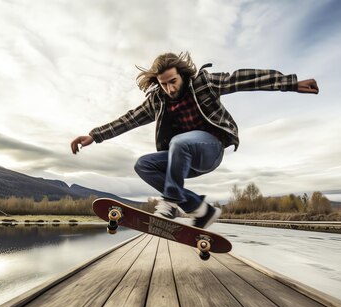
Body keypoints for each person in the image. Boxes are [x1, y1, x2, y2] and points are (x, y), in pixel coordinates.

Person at [71, 52, 318, 229]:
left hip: (211, 150)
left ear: (182, 75)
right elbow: (130, 119)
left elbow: (243, 79)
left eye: (172, 82)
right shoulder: (158, 99)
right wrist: (95, 135)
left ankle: (170, 202)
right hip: (184, 159)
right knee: (143, 164)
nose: (168, 88)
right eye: (163, 84)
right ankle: (200, 209)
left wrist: (291, 83)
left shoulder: (204, 83)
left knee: (180, 141)